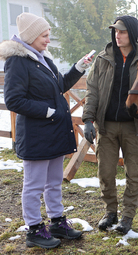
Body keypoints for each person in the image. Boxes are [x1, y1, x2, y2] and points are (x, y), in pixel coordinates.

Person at [0, 12, 93, 249]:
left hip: (54, 133)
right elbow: (13, 100)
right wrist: (47, 111)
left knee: (53, 182)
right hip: (36, 136)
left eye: (48, 35)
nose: (48, 40)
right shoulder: (17, 61)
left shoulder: (42, 58)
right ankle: (33, 229)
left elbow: (59, 85)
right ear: (31, 36)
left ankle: (57, 222)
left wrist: (79, 67)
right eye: (44, 35)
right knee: (33, 186)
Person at [82, 15, 138, 234]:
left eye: (123, 31)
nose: (117, 35)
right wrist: (88, 119)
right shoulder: (103, 58)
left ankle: (128, 217)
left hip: (132, 127)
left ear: (133, 33)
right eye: (115, 31)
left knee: (133, 174)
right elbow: (92, 90)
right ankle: (111, 212)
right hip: (106, 126)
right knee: (105, 173)